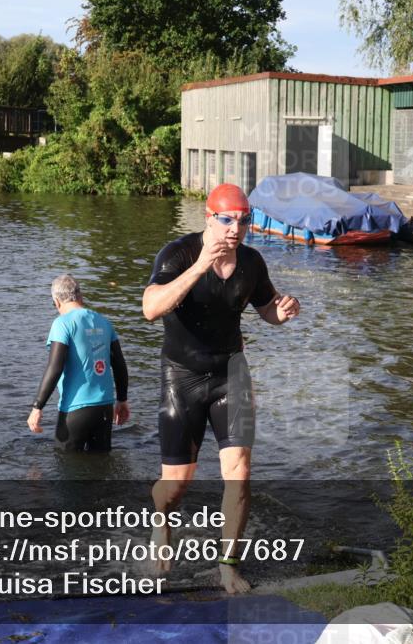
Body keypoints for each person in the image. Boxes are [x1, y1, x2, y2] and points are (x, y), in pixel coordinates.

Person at [142, 183, 300, 593]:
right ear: (209, 218)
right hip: (182, 376)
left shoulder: (251, 262)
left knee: (240, 473)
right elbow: (149, 309)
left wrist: (280, 313)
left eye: (243, 221)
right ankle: (162, 521)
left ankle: (228, 566)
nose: (235, 229)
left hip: (231, 372)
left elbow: (266, 308)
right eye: (227, 220)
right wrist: (198, 268)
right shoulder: (176, 254)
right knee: (175, 487)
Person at [26, 274, 130, 451]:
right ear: (80, 296)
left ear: (56, 301)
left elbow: (55, 367)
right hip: (104, 409)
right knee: (101, 467)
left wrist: (38, 406)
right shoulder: (104, 322)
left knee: (65, 468)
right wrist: (122, 400)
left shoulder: (62, 324)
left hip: (75, 410)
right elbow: (119, 364)